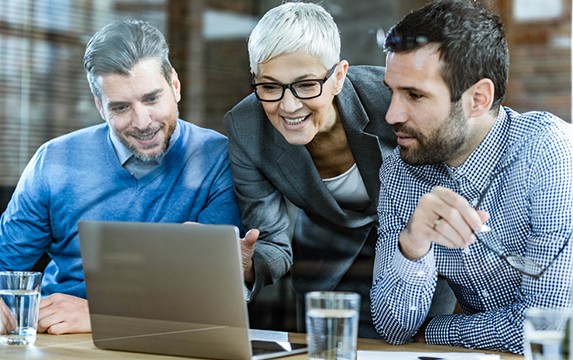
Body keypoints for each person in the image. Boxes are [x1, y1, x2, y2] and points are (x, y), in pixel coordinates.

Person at [371, 0, 573, 355]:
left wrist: (435, 332)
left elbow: (550, 324)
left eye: (415, 95)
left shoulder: (553, 153)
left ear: (478, 98)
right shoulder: (401, 174)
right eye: (392, 92)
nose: (391, 114)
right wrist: (413, 244)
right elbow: (392, 326)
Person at [224, 2, 455, 339]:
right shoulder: (246, 128)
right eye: (270, 87)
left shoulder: (387, 98)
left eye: (306, 85)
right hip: (329, 267)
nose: (288, 106)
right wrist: (249, 266)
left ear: (338, 77)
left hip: (416, 258)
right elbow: (271, 240)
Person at [0, 19, 242, 335]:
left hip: (171, 339)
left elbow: (212, 295)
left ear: (175, 87)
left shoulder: (219, 160)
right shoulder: (54, 161)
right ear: (101, 107)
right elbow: (6, 264)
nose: (142, 122)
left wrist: (103, 315)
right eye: (121, 107)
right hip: (56, 340)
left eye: (152, 98)